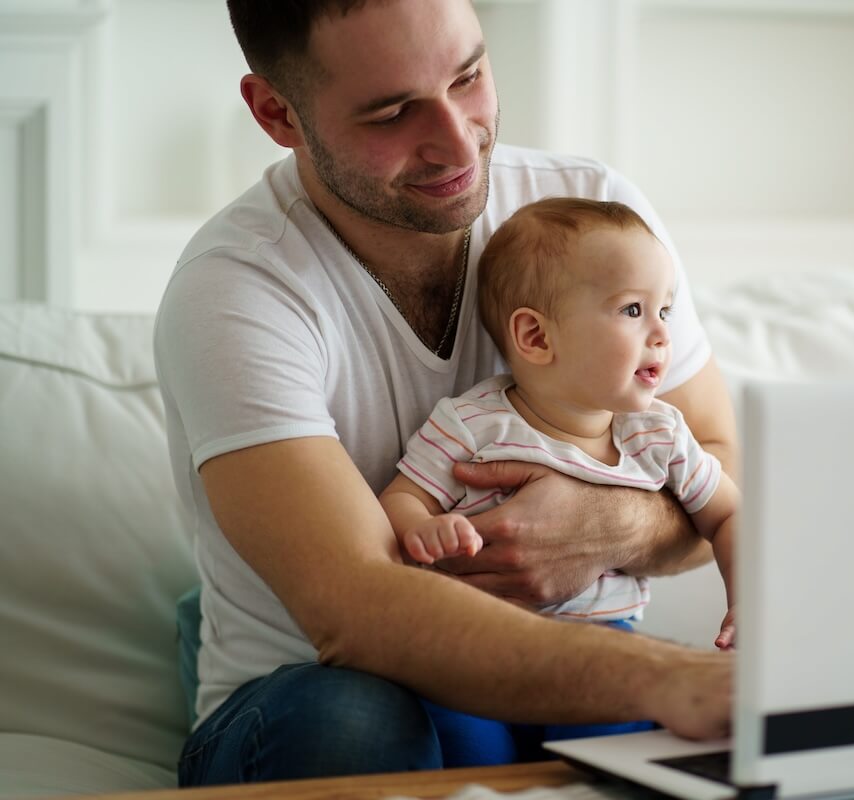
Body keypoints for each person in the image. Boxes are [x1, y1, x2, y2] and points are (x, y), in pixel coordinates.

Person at [155, 0, 736, 786]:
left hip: (570, 667)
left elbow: (719, 461)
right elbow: (354, 609)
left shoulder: (590, 216)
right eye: (393, 113)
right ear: (277, 114)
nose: (458, 141)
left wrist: (609, 525)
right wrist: (664, 677)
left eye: (468, 77)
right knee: (357, 721)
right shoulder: (237, 290)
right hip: (306, 697)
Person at [382, 197, 739, 766]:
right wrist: (424, 530)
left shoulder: (659, 436)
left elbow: (727, 513)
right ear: (536, 337)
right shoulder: (472, 425)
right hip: (477, 652)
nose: (661, 335)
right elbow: (401, 499)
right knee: (464, 747)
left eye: (665, 311)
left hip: (602, 651)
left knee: (616, 751)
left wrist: (746, 592)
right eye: (631, 311)